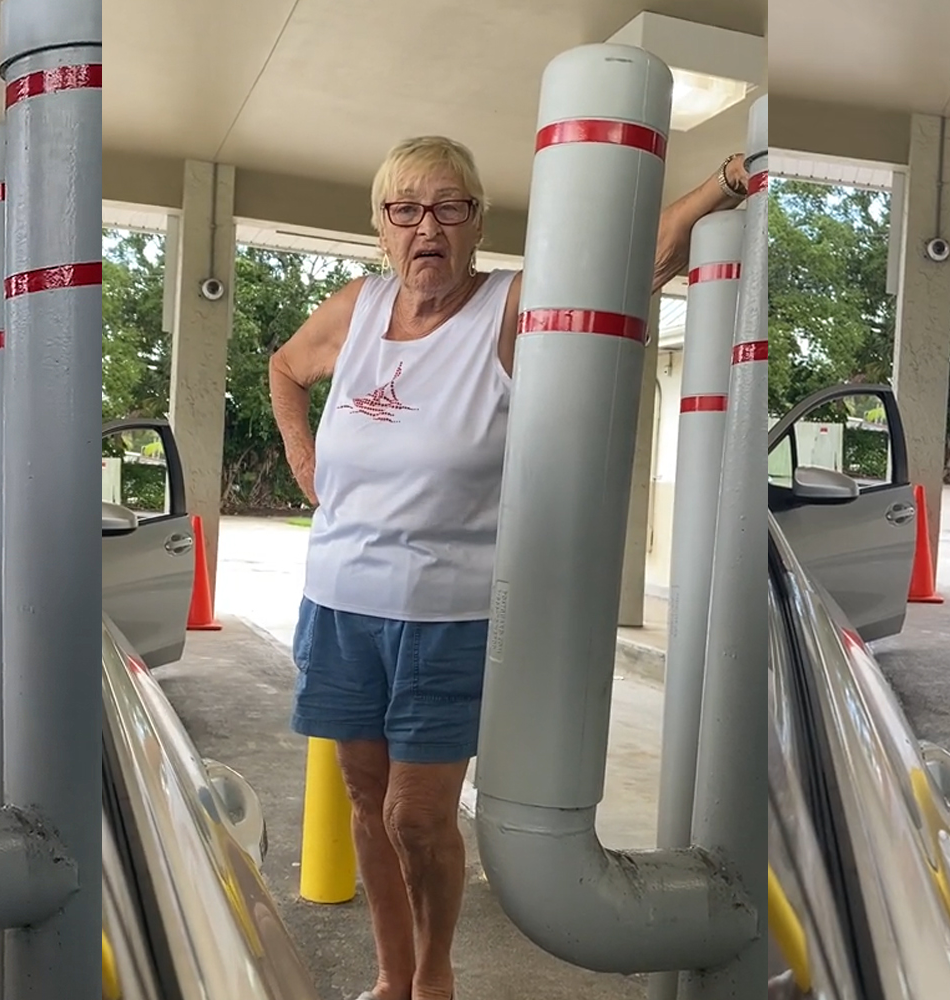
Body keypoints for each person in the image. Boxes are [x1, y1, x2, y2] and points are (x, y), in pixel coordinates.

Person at [268, 135, 750, 1000]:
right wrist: (304, 461)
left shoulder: (507, 308)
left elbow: (620, 266)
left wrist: (718, 186)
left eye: (449, 206)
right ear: (381, 226)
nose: (428, 227)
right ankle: (390, 977)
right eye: (406, 208)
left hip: (450, 613)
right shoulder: (357, 308)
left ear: (477, 220)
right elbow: (284, 368)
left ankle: (436, 975)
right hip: (339, 604)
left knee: (416, 817)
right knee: (363, 799)